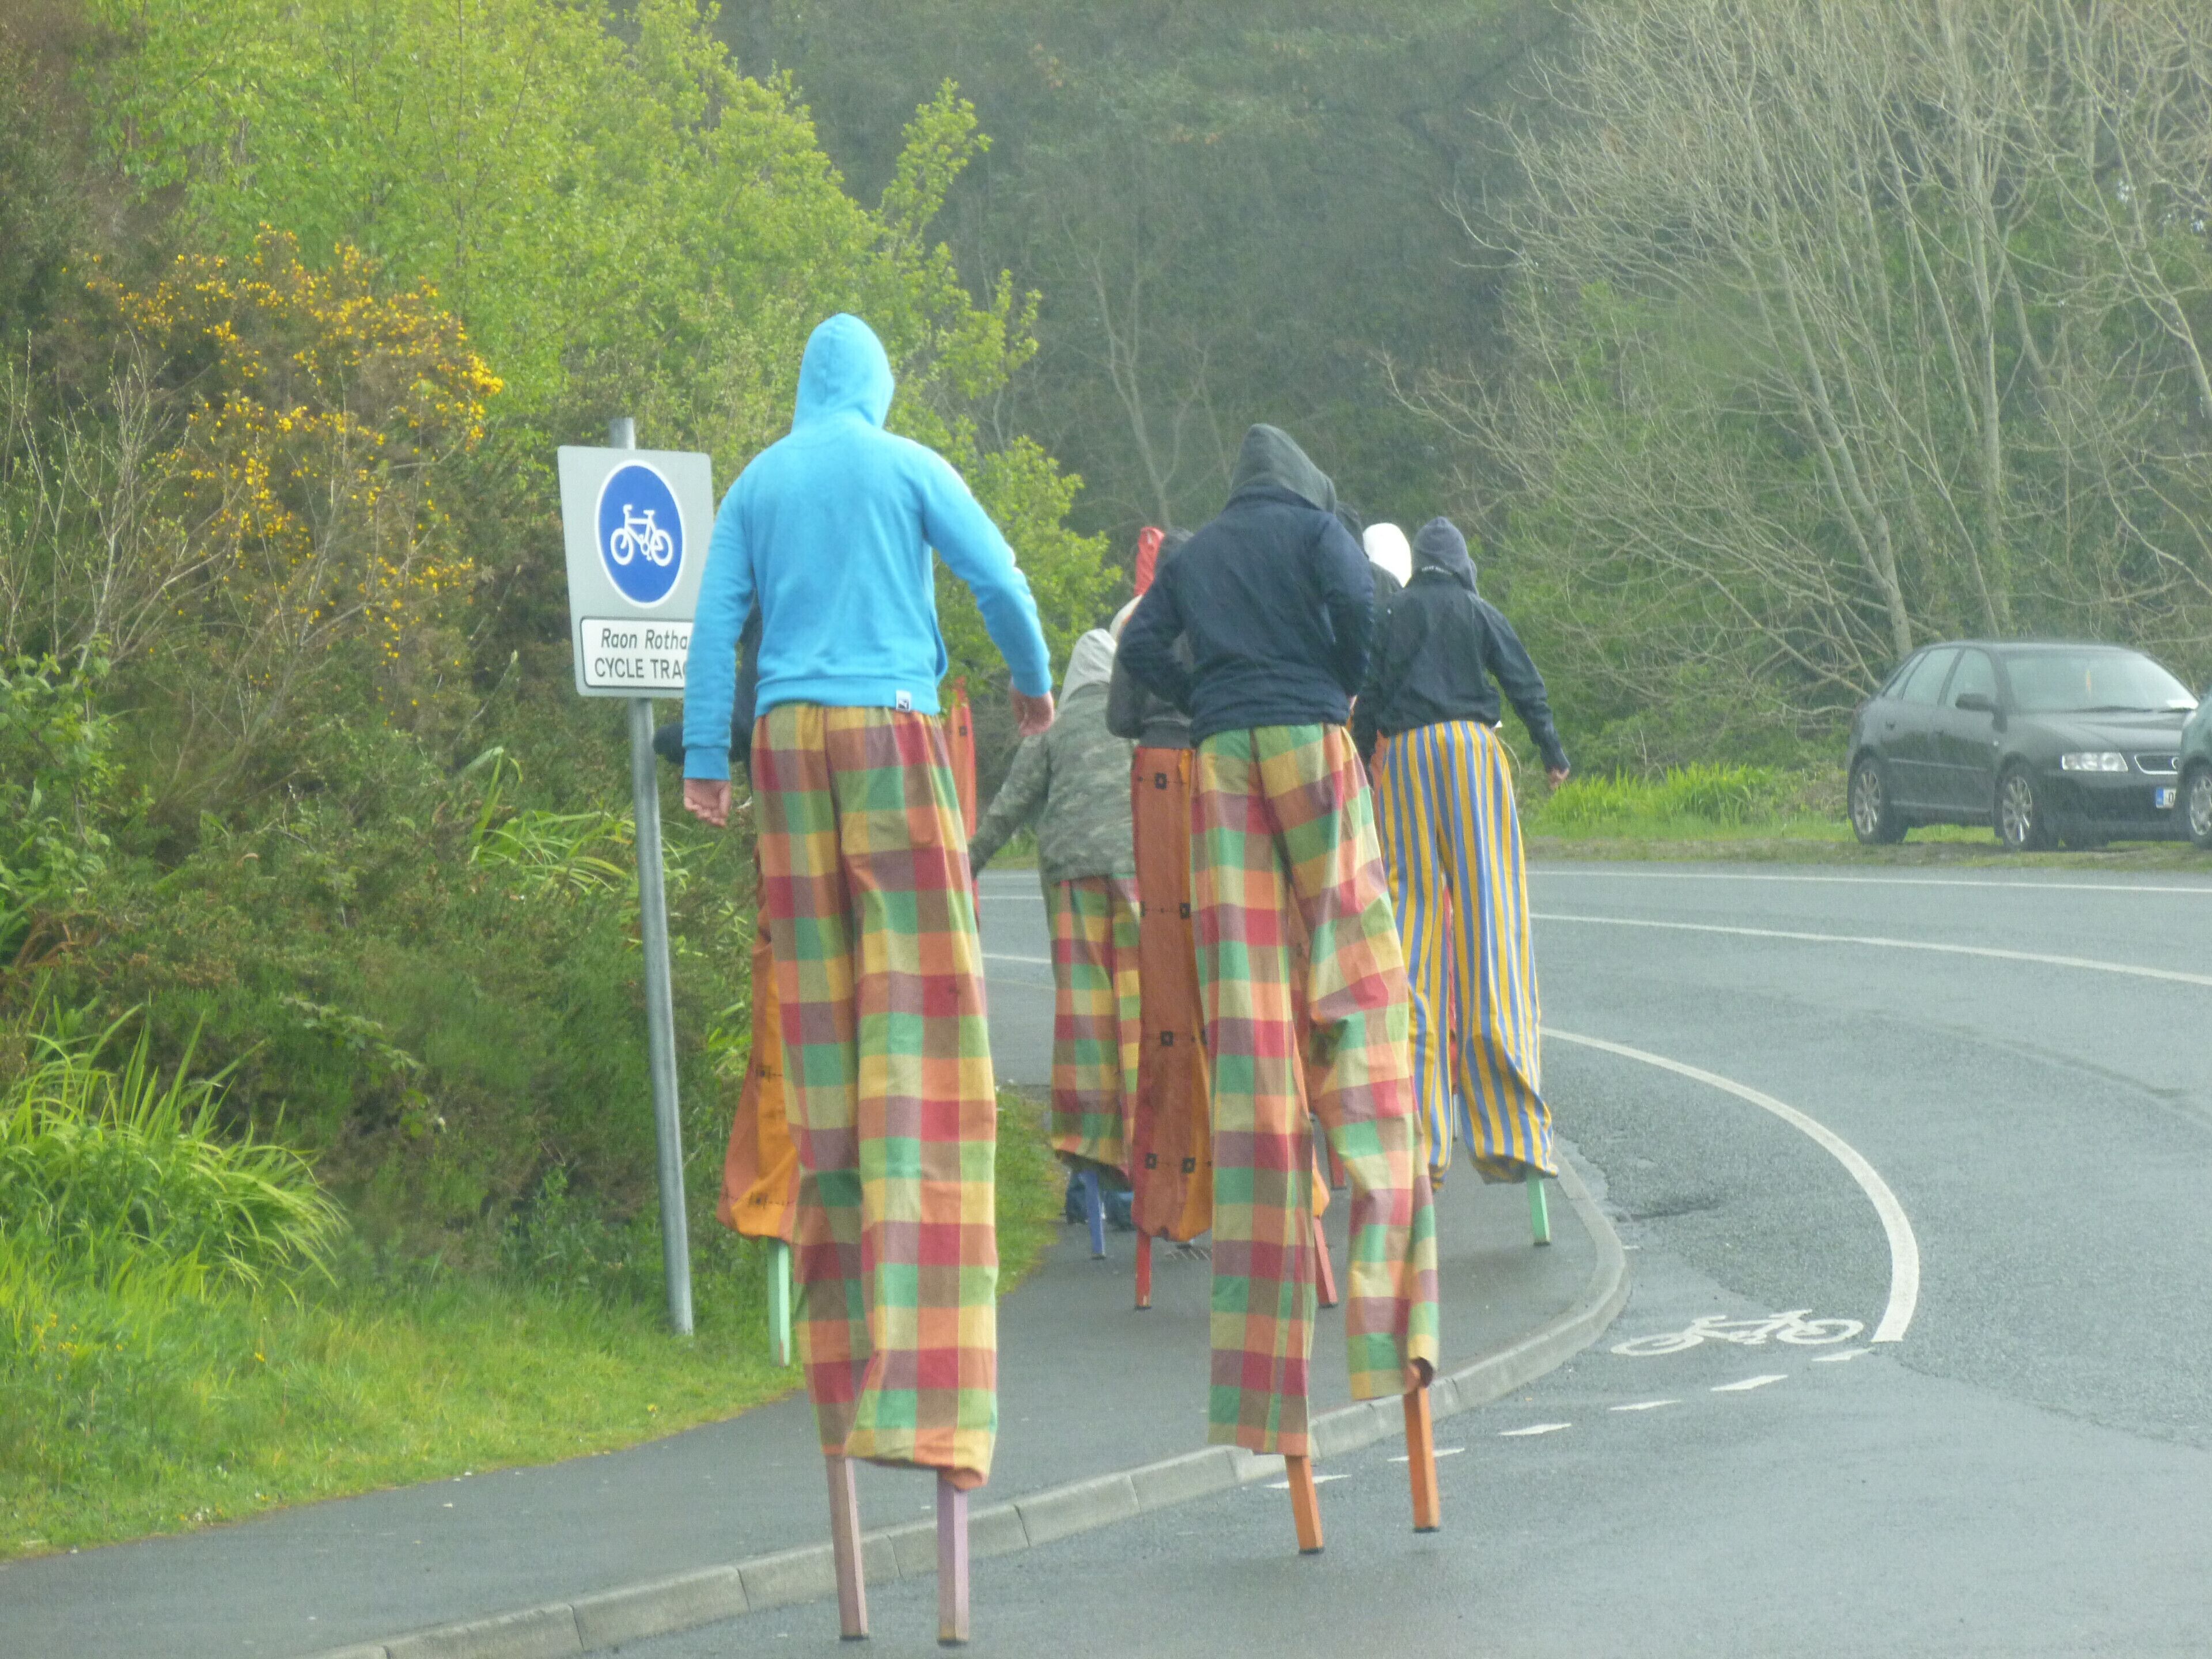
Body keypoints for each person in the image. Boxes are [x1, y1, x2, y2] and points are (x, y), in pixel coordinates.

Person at [681, 312, 1054, 1624]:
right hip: (893, 732)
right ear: (879, 386)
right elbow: (998, 571)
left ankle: (837, 1276)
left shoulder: (759, 481)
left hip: (785, 746)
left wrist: (706, 761)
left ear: (799, 384)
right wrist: (1030, 677)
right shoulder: (906, 466)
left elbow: (714, 617)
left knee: (819, 1021)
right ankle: (925, 1270)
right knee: (925, 1018)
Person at [1118, 425, 1438, 1484]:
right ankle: (1397, 1330)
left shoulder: (1199, 551)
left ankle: (1267, 1399)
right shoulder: (1319, 531)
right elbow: (1363, 615)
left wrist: (1204, 686)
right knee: (1363, 1002)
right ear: (1307, 480)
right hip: (1307, 740)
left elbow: (1137, 650)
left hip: (1219, 767)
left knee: (1252, 1053)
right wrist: (1337, 683)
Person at [1354, 517, 1569, 1187]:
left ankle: (1420, 1143)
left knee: (1412, 934)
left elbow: (1370, 700)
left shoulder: (1392, 616)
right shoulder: (1478, 611)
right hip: (1473, 754)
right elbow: (1524, 681)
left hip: (1408, 758)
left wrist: (1362, 766)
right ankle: (1513, 1137)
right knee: (1491, 927)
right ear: (1464, 565)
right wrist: (1552, 750)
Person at [968, 628, 1141, 1219]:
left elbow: (1009, 806)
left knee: (1085, 1028)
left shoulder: (1054, 729)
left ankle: (1087, 1177)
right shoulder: (1136, 721)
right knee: (1137, 1024)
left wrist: (963, 865)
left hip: (1072, 882)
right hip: (1137, 879)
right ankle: (1139, 1175)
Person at [1106, 529, 1215, 1260]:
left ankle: (1167, 1167)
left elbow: (1119, 717)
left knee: (1165, 967)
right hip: (1210, 773)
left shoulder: (1136, 621)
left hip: (1153, 774)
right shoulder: (1214, 606)